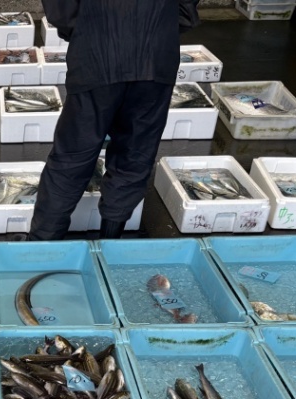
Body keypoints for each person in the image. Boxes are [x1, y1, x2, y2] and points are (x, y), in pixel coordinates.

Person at [29, 0, 201, 240]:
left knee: (73, 154)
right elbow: (185, 9)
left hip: (97, 52)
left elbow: (63, 12)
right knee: (136, 151)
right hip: (156, 53)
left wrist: (86, 27)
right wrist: (160, 26)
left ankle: (42, 244)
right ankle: (110, 241)